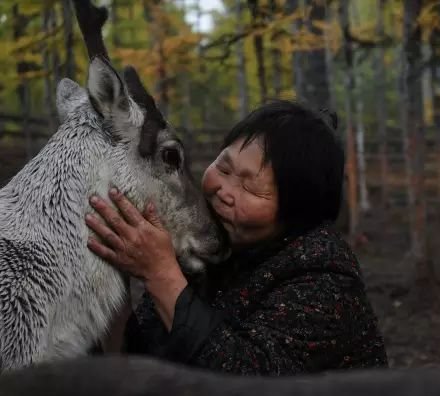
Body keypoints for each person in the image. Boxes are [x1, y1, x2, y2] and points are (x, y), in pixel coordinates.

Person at [85, 100, 388, 375]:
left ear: (296, 211)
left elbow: (247, 384)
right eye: (224, 167)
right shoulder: (214, 243)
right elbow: (145, 355)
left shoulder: (324, 277)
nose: (224, 191)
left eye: (251, 188)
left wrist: (160, 274)